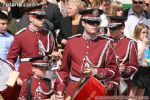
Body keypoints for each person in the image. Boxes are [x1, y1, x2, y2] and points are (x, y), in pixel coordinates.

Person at [55, 8, 120, 99]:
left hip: (94, 90)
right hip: (73, 89)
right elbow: (63, 70)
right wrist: (60, 89)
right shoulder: (72, 42)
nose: (94, 25)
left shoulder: (106, 43)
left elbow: (113, 70)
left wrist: (97, 71)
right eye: (90, 22)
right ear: (83, 23)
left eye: (97, 23)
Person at [7, 6, 56, 83]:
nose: (43, 20)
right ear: (31, 18)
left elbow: (54, 56)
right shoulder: (20, 35)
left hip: (45, 73)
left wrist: (53, 76)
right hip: (27, 74)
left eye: (44, 17)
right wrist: (15, 77)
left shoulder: (48, 34)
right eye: (39, 17)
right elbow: (10, 59)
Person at [107, 16, 138, 95]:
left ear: (122, 28)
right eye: (109, 28)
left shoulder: (130, 43)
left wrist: (125, 69)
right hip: (106, 82)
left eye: (113, 28)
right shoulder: (105, 41)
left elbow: (134, 66)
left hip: (121, 84)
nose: (111, 31)